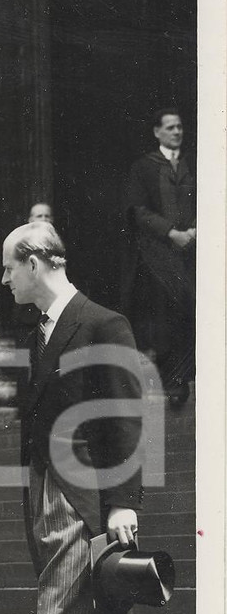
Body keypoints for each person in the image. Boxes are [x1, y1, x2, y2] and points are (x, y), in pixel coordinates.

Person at [0, 221, 163, 614]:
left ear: (37, 262)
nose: (4, 277)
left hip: (83, 497)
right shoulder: (42, 329)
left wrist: (122, 504)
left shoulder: (101, 322)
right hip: (46, 490)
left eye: (10, 266)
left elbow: (125, 421)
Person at [124, 107, 196, 408]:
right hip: (158, 258)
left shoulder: (193, 164)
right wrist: (171, 233)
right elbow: (138, 211)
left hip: (192, 253)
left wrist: (195, 230)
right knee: (163, 321)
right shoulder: (143, 167)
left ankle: (184, 381)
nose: (177, 132)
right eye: (170, 128)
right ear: (157, 132)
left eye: (179, 127)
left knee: (189, 318)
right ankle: (172, 383)